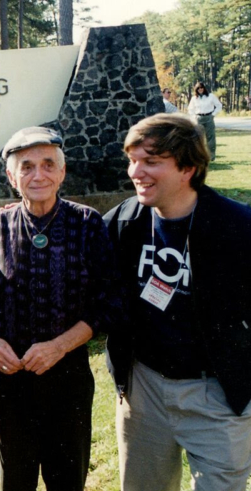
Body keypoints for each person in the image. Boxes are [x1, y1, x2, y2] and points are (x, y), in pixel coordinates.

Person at [104, 113, 251, 491]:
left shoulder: (237, 226)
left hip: (217, 395)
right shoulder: (126, 219)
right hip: (144, 390)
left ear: (188, 167)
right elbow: (74, 246)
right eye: (132, 159)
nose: (136, 171)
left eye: (151, 161)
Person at [0, 127, 118, 491]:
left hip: (66, 374)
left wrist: (59, 346)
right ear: (11, 176)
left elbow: (106, 304)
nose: (38, 175)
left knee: (67, 479)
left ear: (62, 172)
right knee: (15, 480)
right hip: (9, 376)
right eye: (26, 167)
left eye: (47, 164)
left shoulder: (87, 224)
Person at [187, 82, 222, 160]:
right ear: (196, 90)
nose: (200, 89)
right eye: (198, 88)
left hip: (209, 117)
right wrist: (194, 117)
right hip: (199, 118)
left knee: (211, 138)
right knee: (198, 138)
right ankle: (199, 156)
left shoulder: (211, 96)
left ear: (204, 88)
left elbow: (219, 106)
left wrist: (213, 114)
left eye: (201, 88)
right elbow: (190, 109)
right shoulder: (194, 98)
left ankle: (211, 156)